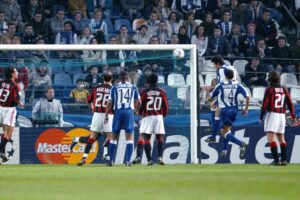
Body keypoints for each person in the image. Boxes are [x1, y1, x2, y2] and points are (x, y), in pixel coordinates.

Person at [207, 69, 249, 159]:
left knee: (222, 131)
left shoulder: (221, 85)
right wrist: (246, 109)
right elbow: (248, 96)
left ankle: (241, 144)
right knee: (227, 130)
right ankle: (224, 150)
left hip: (225, 111)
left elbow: (209, 98)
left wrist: (208, 98)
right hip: (234, 110)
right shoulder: (238, 85)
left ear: (225, 76)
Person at [76, 72, 113, 166]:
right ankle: (106, 156)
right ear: (111, 79)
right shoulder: (113, 89)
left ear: (103, 78)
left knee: (92, 137)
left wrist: (92, 109)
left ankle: (84, 158)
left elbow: (88, 100)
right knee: (110, 136)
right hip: (107, 114)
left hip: (96, 114)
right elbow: (112, 103)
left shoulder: (96, 88)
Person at [259, 71, 296, 166]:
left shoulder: (269, 89)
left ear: (270, 80)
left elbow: (265, 104)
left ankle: (276, 161)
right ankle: (284, 160)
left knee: (271, 138)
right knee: (281, 138)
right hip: (282, 116)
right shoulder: (284, 89)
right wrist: (293, 116)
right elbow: (290, 104)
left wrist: (261, 116)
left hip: (272, 115)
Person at [105, 71, 141, 166]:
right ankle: (127, 161)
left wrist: (106, 116)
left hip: (118, 112)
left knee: (114, 136)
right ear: (127, 77)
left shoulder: (114, 87)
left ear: (119, 78)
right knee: (129, 137)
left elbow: (109, 103)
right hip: (129, 112)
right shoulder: (133, 87)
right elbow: (139, 101)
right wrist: (136, 110)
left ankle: (111, 161)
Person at [138, 73, 169, 165]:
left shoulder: (144, 92)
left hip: (148, 116)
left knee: (146, 138)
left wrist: (140, 113)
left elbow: (141, 105)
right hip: (159, 116)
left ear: (148, 81)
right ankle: (160, 158)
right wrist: (163, 115)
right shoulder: (162, 92)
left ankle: (149, 160)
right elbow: (166, 106)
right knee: (159, 138)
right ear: (157, 81)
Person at [0, 67, 24, 163]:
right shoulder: (15, 85)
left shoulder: (1, 82)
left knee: (4, 133)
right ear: (12, 74)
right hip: (9, 110)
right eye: (16, 71)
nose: (17, 72)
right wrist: (20, 103)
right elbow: (16, 99)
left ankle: (2, 153)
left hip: (0, 107)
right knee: (8, 134)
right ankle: (1, 152)